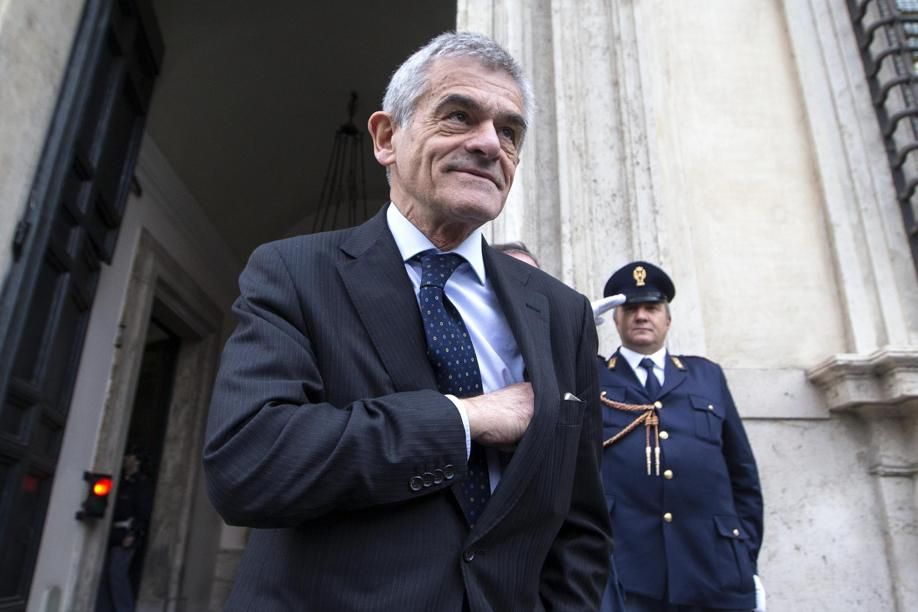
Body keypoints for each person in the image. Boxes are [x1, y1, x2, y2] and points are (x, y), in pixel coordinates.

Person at [203, 31, 612, 611]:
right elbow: (250, 465)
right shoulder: (294, 273)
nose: (489, 144)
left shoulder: (562, 312)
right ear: (386, 137)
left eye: (509, 131)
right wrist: (465, 419)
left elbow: (581, 523)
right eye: (459, 116)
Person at [595, 261, 764, 612]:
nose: (641, 316)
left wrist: (745, 555)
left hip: (713, 567)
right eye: (631, 309)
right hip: (627, 570)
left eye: (652, 308)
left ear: (668, 319)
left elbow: (742, 473)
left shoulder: (706, 375)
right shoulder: (592, 376)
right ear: (616, 320)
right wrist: (572, 328)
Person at [96, 447, 154, 612]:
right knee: (105, 575)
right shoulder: (121, 481)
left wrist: (133, 533)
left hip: (126, 534)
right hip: (112, 532)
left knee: (117, 574)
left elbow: (143, 512)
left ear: (137, 461)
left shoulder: (141, 484)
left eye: (129, 456)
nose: (125, 459)